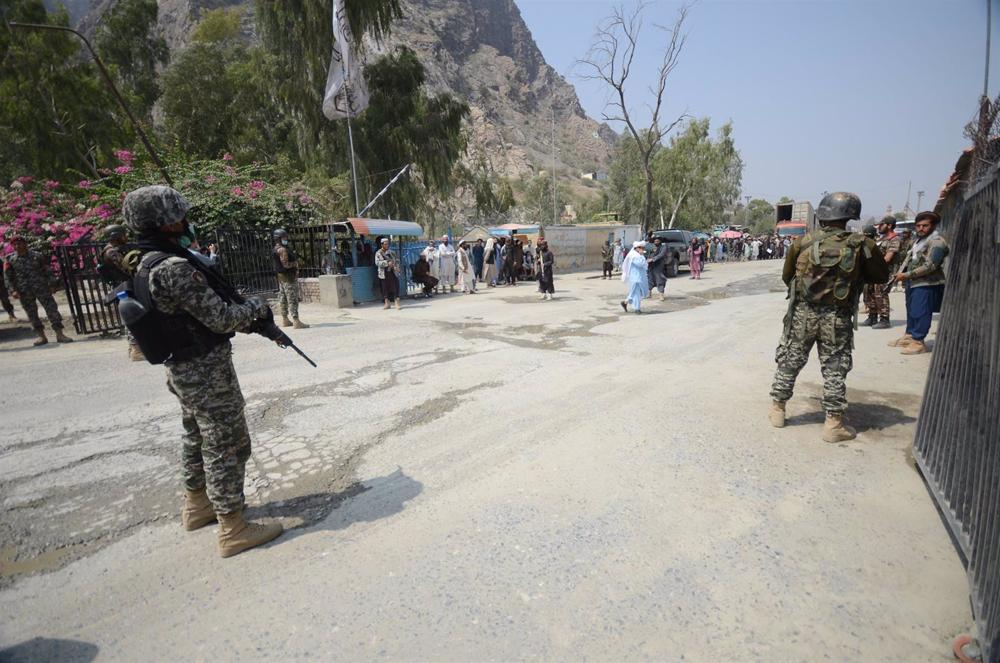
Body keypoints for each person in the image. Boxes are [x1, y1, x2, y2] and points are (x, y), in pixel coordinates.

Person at [121, 185, 282, 558]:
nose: (185, 221)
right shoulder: (173, 268)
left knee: (195, 435)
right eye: (178, 216)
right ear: (164, 222)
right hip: (205, 370)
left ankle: (198, 505)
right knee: (227, 443)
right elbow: (222, 319)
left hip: (181, 368)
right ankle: (233, 527)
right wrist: (258, 307)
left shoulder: (144, 263)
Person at [768, 191, 889, 443]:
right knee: (835, 366)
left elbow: (787, 276)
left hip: (802, 312)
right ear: (850, 216)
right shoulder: (862, 244)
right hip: (837, 315)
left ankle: (778, 410)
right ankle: (833, 423)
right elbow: (880, 275)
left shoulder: (803, 242)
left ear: (823, 214)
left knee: (791, 358)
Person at [891, 211, 950, 355]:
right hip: (913, 282)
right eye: (918, 226)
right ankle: (910, 335)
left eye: (925, 225)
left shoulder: (937, 241)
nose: (921, 228)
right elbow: (909, 259)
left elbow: (931, 265)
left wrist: (906, 275)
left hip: (927, 283)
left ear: (933, 225)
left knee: (921, 312)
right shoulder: (918, 241)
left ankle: (918, 341)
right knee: (912, 310)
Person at [3, 237, 73, 346]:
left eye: (20, 244)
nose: (17, 246)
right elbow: (8, 277)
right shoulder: (10, 259)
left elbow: (47, 270)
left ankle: (60, 334)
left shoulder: (36, 256)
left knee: (51, 309)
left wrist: (52, 284)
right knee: (32, 313)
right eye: (15, 245)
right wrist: (13, 291)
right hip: (24, 290)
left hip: (41, 287)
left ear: (25, 244)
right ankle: (41, 336)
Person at [860, 216, 902, 329]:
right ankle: (872, 316)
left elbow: (887, 258)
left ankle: (884, 319)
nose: (879, 227)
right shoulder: (881, 240)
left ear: (889, 225)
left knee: (881, 293)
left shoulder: (894, 239)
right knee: (870, 292)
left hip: (885, 272)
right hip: (875, 271)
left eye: (881, 224)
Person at [272, 229, 308, 329]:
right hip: (289, 278)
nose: (286, 239)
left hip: (281, 278)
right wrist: (295, 264)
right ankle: (296, 321)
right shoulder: (283, 250)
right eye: (284, 237)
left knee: (283, 298)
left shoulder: (275, 249)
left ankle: (285, 319)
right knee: (292, 299)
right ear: (279, 238)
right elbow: (286, 265)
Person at [619, 241, 649, 314]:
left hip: (639, 276)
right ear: (637, 248)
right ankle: (637, 308)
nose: (642, 249)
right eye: (641, 248)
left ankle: (625, 302)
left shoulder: (637, 255)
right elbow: (640, 264)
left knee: (635, 292)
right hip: (635, 277)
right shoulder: (634, 255)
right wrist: (643, 256)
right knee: (636, 293)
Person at [375, 238, 401, 309]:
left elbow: (397, 260)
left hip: (393, 272)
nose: (387, 245)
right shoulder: (378, 253)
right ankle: (387, 303)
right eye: (385, 244)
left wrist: (397, 267)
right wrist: (387, 263)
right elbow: (377, 263)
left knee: (395, 286)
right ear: (382, 244)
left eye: (388, 244)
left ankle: (397, 303)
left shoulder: (392, 252)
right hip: (383, 273)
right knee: (385, 288)